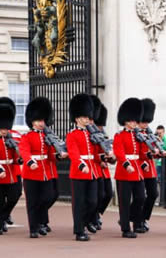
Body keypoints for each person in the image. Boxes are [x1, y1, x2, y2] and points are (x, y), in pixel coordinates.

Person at [19, 97, 61, 238]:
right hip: (31, 173)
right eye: (38, 121)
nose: (41, 123)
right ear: (32, 122)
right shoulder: (27, 137)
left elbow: (50, 155)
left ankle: (41, 222)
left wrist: (59, 156)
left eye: (42, 120)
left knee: (48, 197)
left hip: (45, 172)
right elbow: (24, 151)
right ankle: (34, 229)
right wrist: (30, 162)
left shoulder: (47, 136)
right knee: (32, 202)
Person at [66, 94, 100, 241]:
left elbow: (96, 152)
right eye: (84, 117)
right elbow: (73, 152)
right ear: (77, 118)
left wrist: (106, 156)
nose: (87, 119)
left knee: (93, 201)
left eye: (88, 116)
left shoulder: (91, 134)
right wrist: (81, 164)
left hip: (92, 171)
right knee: (79, 203)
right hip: (79, 173)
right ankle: (79, 230)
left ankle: (85, 222)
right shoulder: (72, 135)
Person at [113, 98, 146, 238]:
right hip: (124, 172)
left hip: (137, 171)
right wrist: (127, 164)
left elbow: (142, 152)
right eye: (132, 121)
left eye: (135, 121)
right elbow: (119, 152)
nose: (134, 123)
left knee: (140, 197)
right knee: (124, 201)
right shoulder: (119, 135)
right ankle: (126, 228)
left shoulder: (138, 135)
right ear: (125, 121)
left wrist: (145, 161)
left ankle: (133, 220)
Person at [137, 98, 159, 232]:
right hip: (139, 168)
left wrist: (159, 153)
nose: (145, 123)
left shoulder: (149, 133)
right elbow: (135, 152)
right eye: (143, 121)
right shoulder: (135, 133)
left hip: (150, 169)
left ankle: (143, 218)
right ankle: (136, 219)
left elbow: (153, 149)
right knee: (140, 196)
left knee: (153, 194)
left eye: (147, 121)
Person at [0, 98, 21, 235]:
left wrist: (19, 158)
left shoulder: (15, 136)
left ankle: (3, 216)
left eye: (6, 128)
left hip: (13, 172)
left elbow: (20, 152)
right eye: (2, 128)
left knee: (15, 196)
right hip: (0, 173)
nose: (4, 131)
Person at [93, 103, 115, 230]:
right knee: (98, 195)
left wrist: (111, 158)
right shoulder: (90, 134)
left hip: (104, 169)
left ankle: (97, 213)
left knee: (108, 194)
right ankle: (93, 217)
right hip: (95, 167)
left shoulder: (103, 134)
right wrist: (99, 159)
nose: (101, 127)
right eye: (99, 125)